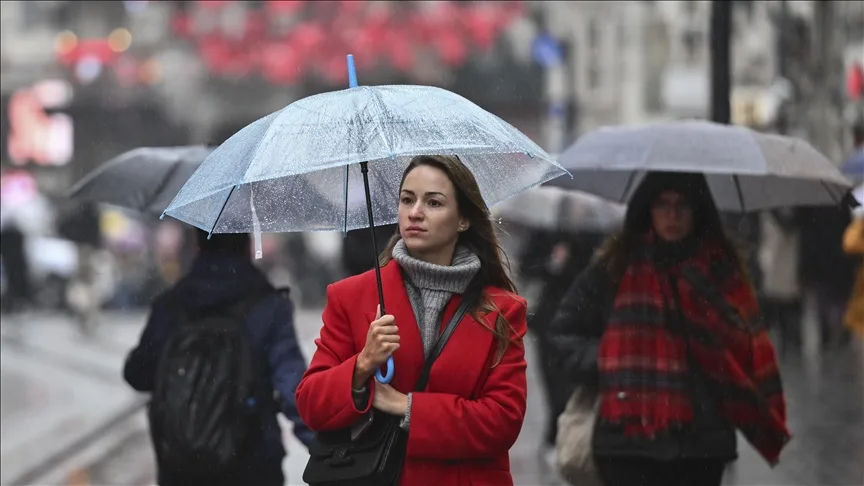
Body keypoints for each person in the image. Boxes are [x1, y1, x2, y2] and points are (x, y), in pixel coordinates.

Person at [295, 155, 529, 486]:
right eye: (407, 199)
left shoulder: (502, 310)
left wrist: (406, 406)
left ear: (463, 219)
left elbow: (502, 421)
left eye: (433, 202)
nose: (415, 212)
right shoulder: (352, 296)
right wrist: (361, 366)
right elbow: (311, 404)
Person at [547, 172, 789, 486]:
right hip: (625, 444)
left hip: (700, 446)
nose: (672, 215)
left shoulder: (721, 271)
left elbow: (748, 347)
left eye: (682, 205)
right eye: (663, 204)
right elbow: (564, 333)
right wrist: (609, 362)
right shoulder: (616, 266)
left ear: (697, 210)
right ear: (647, 209)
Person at [123, 230, 312, 486]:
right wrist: (323, 446)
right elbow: (294, 389)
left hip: (181, 464)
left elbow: (137, 374)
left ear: (198, 246)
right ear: (247, 245)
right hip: (252, 463)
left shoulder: (171, 305)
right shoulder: (269, 306)